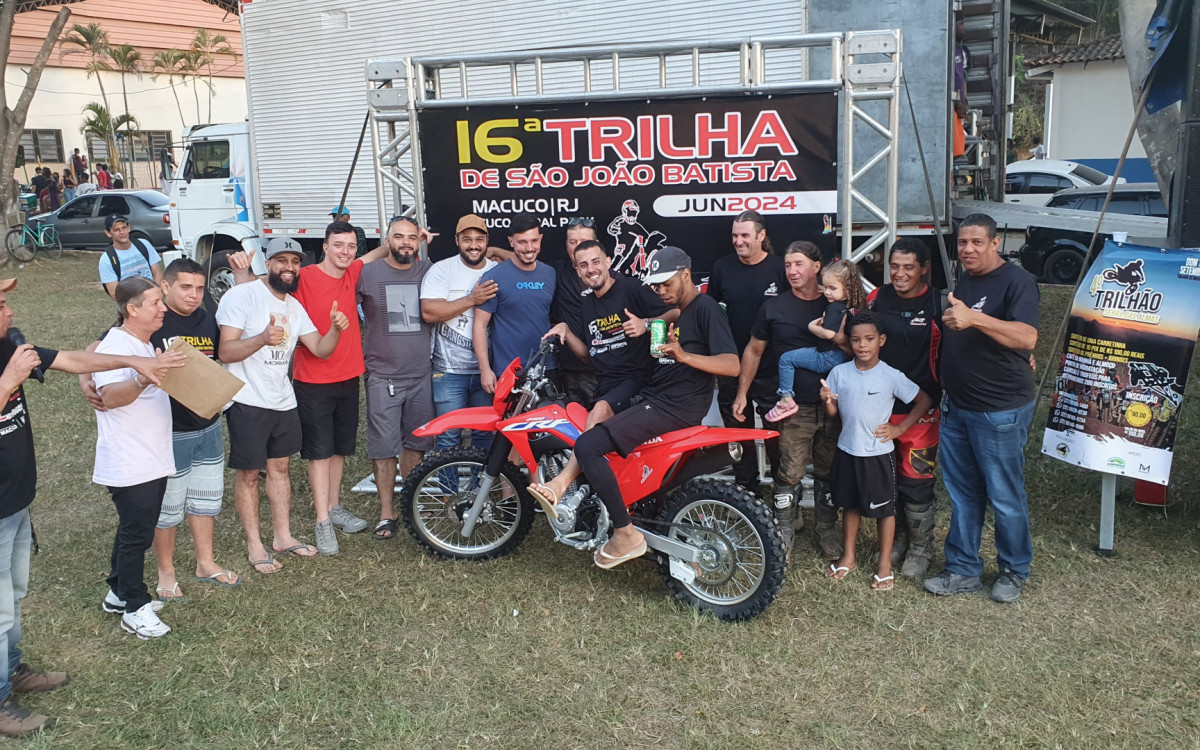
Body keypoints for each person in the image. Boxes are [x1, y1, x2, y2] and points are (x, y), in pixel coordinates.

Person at [0, 277, 180, 735]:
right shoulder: (9, 364)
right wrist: (8, 382)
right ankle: (1, 699)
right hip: (8, 502)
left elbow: (78, 356)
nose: (10, 311)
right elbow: (110, 398)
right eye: (1, 303)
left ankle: (13, 669)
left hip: (16, 499)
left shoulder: (9, 347)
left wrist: (124, 360)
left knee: (14, 597)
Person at [529, 246, 739, 568]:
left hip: (673, 406)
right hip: (656, 397)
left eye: (666, 283)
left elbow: (731, 364)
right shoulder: (682, 312)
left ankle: (625, 534)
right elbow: (666, 319)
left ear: (686, 274)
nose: (660, 291)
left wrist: (683, 356)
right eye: (656, 285)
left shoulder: (706, 308)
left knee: (588, 444)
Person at [924, 213, 1039, 604]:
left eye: (976, 243)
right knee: (963, 494)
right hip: (958, 407)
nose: (967, 250)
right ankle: (963, 569)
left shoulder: (1017, 281)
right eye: (962, 243)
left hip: (999, 410)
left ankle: (1013, 570)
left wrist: (974, 318)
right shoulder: (966, 279)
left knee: (1004, 495)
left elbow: (1027, 336)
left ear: (995, 244)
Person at [216, 237, 348, 574]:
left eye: (294, 262)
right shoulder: (241, 296)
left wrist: (334, 329)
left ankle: (283, 537)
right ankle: (255, 545)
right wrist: (261, 337)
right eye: (281, 261)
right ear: (267, 262)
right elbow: (225, 352)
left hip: (282, 400)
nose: (289, 268)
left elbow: (319, 349)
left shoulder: (293, 306)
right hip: (247, 399)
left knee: (281, 469)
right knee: (248, 474)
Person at [733, 241, 841, 557]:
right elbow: (753, 350)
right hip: (795, 409)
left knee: (828, 471)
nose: (792, 271)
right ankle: (782, 531)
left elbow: (861, 343)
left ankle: (827, 530)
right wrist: (741, 393)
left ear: (817, 267)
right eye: (788, 265)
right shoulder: (773, 307)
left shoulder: (836, 302)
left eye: (799, 264)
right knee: (789, 472)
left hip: (834, 406)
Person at [292, 221, 392, 554]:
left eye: (350, 246)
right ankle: (322, 521)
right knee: (319, 452)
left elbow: (378, 252)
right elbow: (269, 289)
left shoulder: (352, 272)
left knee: (338, 449)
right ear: (324, 246)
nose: (345, 252)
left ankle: (333, 507)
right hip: (313, 378)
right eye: (338, 245)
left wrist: (408, 238)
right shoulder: (305, 277)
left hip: (349, 375)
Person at [149, 259, 242, 601]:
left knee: (206, 500)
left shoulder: (208, 319)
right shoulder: (153, 319)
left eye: (199, 288)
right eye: (185, 287)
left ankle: (205, 562)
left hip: (208, 425)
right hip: (169, 430)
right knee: (168, 505)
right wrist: (87, 378)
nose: (193, 295)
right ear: (165, 286)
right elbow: (105, 347)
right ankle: (166, 572)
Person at [820, 312, 932, 591]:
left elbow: (923, 400)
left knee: (885, 510)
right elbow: (833, 413)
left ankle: (884, 563)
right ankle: (848, 556)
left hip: (878, 454)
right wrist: (828, 402)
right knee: (850, 504)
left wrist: (900, 429)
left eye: (869, 339)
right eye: (856, 340)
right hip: (848, 450)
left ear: (881, 340)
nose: (862, 345)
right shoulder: (839, 373)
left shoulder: (891, 376)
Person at [92, 278, 179, 640]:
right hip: (130, 461)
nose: (163, 308)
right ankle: (135, 607)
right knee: (136, 535)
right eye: (156, 302)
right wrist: (145, 379)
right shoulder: (118, 346)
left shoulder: (142, 341)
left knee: (135, 529)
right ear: (132, 309)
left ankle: (117, 592)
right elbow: (110, 395)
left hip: (150, 456)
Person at [540, 239, 676, 434]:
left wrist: (645, 324)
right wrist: (566, 331)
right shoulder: (586, 302)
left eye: (596, 262)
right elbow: (589, 355)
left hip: (635, 381)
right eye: (584, 265)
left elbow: (675, 313)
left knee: (596, 422)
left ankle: (574, 466)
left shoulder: (631, 287)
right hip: (603, 386)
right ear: (578, 271)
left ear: (608, 262)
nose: (591, 269)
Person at [866, 238, 944, 578]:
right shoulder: (875, 299)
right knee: (888, 479)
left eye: (908, 267)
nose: (899, 274)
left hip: (921, 411)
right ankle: (897, 538)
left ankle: (921, 546)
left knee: (916, 481)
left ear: (924, 268)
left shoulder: (939, 303)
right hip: (878, 409)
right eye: (894, 266)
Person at [357, 217, 436, 541]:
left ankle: (412, 502)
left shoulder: (429, 271)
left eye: (411, 238)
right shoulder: (369, 273)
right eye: (398, 237)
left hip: (421, 374)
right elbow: (348, 269)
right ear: (387, 240)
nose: (405, 243)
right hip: (382, 375)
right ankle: (386, 512)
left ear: (419, 242)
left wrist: (425, 243)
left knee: (415, 443)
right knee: (383, 447)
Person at [707, 210, 789, 492]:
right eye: (734, 235)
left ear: (761, 236)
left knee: (777, 437)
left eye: (744, 235)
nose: (738, 241)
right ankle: (747, 492)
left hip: (772, 369)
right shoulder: (722, 268)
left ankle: (783, 495)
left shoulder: (780, 268)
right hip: (732, 366)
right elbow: (709, 310)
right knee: (737, 436)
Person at [419, 214, 498, 465]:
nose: (473, 245)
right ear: (456, 241)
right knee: (448, 436)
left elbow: (525, 258)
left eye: (479, 239)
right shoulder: (441, 270)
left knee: (484, 436)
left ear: (487, 241)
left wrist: (498, 252)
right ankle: (448, 497)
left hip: (487, 372)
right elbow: (429, 312)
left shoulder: (497, 271)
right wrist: (471, 300)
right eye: (467, 239)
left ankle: (478, 498)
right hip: (448, 372)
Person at [766, 259, 866, 422]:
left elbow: (828, 334)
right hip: (842, 357)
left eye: (832, 288)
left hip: (827, 356)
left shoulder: (834, 307)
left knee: (786, 359)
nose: (826, 292)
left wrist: (811, 326)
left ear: (847, 289)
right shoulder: (853, 307)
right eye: (825, 287)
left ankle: (786, 398)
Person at [474, 214, 557, 393]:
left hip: (546, 368)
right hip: (509, 370)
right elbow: (480, 325)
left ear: (541, 239)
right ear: (511, 242)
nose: (529, 248)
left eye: (534, 241)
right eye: (522, 242)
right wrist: (485, 370)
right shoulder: (494, 277)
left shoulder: (550, 274)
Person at [551, 218, 604, 407]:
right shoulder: (557, 270)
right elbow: (524, 260)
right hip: (568, 370)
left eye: (584, 242)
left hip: (602, 371)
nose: (577, 247)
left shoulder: (611, 278)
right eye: (573, 242)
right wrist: (494, 251)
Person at [98, 214, 163, 299]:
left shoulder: (144, 244)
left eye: (124, 228)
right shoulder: (106, 259)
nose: (122, 232)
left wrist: (156, 295)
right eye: (116, 230)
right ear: (108, 233)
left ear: (129, 228)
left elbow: (157, 272)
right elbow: (114, 293)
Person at [952, 11, 970, 160]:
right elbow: (956, 77)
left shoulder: (958, 47)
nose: (964, 28)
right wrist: (960, 102)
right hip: (954, 104)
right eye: (961, 24)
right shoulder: (952, 48)